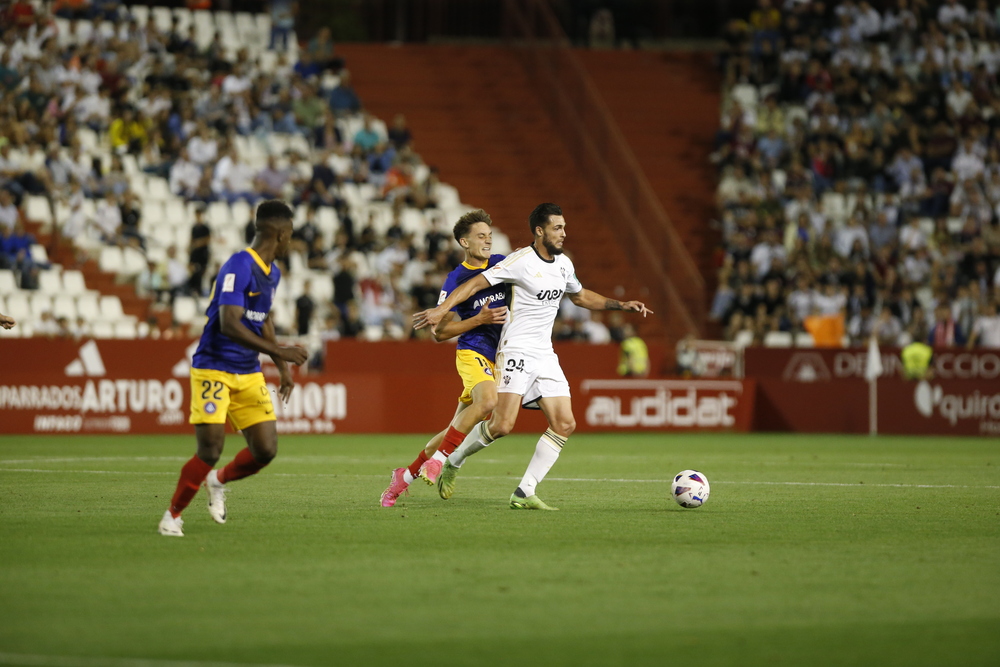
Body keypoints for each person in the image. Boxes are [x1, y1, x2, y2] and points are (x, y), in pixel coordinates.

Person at [413, 203, 651, 510]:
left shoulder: (564, 264)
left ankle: (524, 491)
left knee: (565, 424)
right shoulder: (520, 261)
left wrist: (620, 304)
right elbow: (475, 283)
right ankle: (453, 461)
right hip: (515, 349)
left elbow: (579, 296)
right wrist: (441, 309)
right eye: (557, 228)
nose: (564, 233)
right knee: (502, 426)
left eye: (564, 227)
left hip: (545, 354)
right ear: (539, 231)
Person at [158, 200, 308, 537]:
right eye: (290, 235)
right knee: (210, 448)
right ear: (281, 234)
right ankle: (173, 516)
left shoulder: (274, 273)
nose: (291, 242)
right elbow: (229, 322)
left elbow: (262, 320)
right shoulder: (238, 265)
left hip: (247, 370)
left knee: (265, 449)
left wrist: (281, 368)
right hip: (214, 366)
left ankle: (218, 481)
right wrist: (278, 349)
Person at [380, 209, 508, 507]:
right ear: (465, 242)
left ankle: (404, 477)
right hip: (472, 350)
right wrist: (479, 319)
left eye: (489, 235)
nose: (487, 240)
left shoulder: (503, 264)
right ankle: (439, 462)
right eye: (480, 236)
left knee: (456, 429)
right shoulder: (456, 278)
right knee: (487, 403)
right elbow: (439, 333)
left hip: (500, 356)